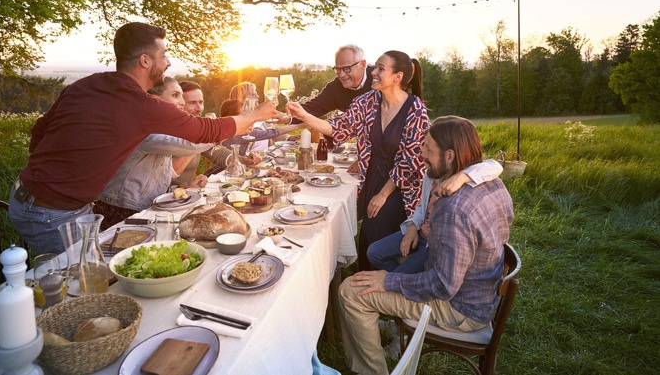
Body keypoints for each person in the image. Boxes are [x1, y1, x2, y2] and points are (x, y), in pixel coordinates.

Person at [9, 22, 277, 254]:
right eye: (164, 55)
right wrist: (254, 116)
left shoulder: (85, 85)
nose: (168, 62)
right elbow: (203, 132)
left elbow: (40, 129)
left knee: (90, 277)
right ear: (145, 61)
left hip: (39, 198)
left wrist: (43, 171)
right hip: (51, 212)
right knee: (81, 285)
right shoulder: (139, 104)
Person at [338, 116, 515, 375]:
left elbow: (442, 286)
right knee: (386, 263)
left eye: (428, 150)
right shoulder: (493, 184)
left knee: (350, 291)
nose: (422, 155)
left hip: (459, 309)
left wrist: (388, 281)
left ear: (450, 155)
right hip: (480, 292)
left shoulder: (452, 208)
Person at [288, 50, 429, 270]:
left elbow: (410, 162)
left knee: (379, 236)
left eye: (381, 69)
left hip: (401, 187)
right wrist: (305, 116)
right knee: (369, 238)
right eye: (376, 67)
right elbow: (338, 128)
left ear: (397, 76)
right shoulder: (367, 101)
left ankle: (385, 289)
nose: (374, 72)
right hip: (371, 179)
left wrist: (383, 195)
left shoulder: (416, 111)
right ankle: (365, 290)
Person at [93, 77, 213, 229]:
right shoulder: (145, 130)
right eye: (175, 95)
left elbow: (158, 179)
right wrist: (230, 128)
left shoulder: (162, 129)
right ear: (155, 100)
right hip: (122, 214)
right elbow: (190, 144)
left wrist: (185, 185)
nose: (182, 102)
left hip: (143, 211)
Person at [366, 158, 503, 273]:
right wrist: (413, 226)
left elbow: (495, 166)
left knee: (394, 279)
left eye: (429, 149)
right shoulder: (430, 175)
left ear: (448, 153)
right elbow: (423, 205)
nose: (423, 153)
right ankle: (412, 279)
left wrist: (462, 177)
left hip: (432, 245)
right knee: (374, 253)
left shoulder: (463, 179)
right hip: (421, 232)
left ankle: (408, 281)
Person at [174, 81, 263, 183]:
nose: (199, 109)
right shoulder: (169, 133)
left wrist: (243, 160)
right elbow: (169, 175)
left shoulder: (197, 128)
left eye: (201, 102)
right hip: (167, 195)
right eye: (192, 103)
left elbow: (219, 153)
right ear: (179, 105)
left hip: (189, 192)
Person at [205, 99, 300, 174]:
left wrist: (246, 157)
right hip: (219, 174)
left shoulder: (235, 130)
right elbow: (271, 132)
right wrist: (301, 125)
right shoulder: (239, 133)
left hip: (235, 170)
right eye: (244, 114)